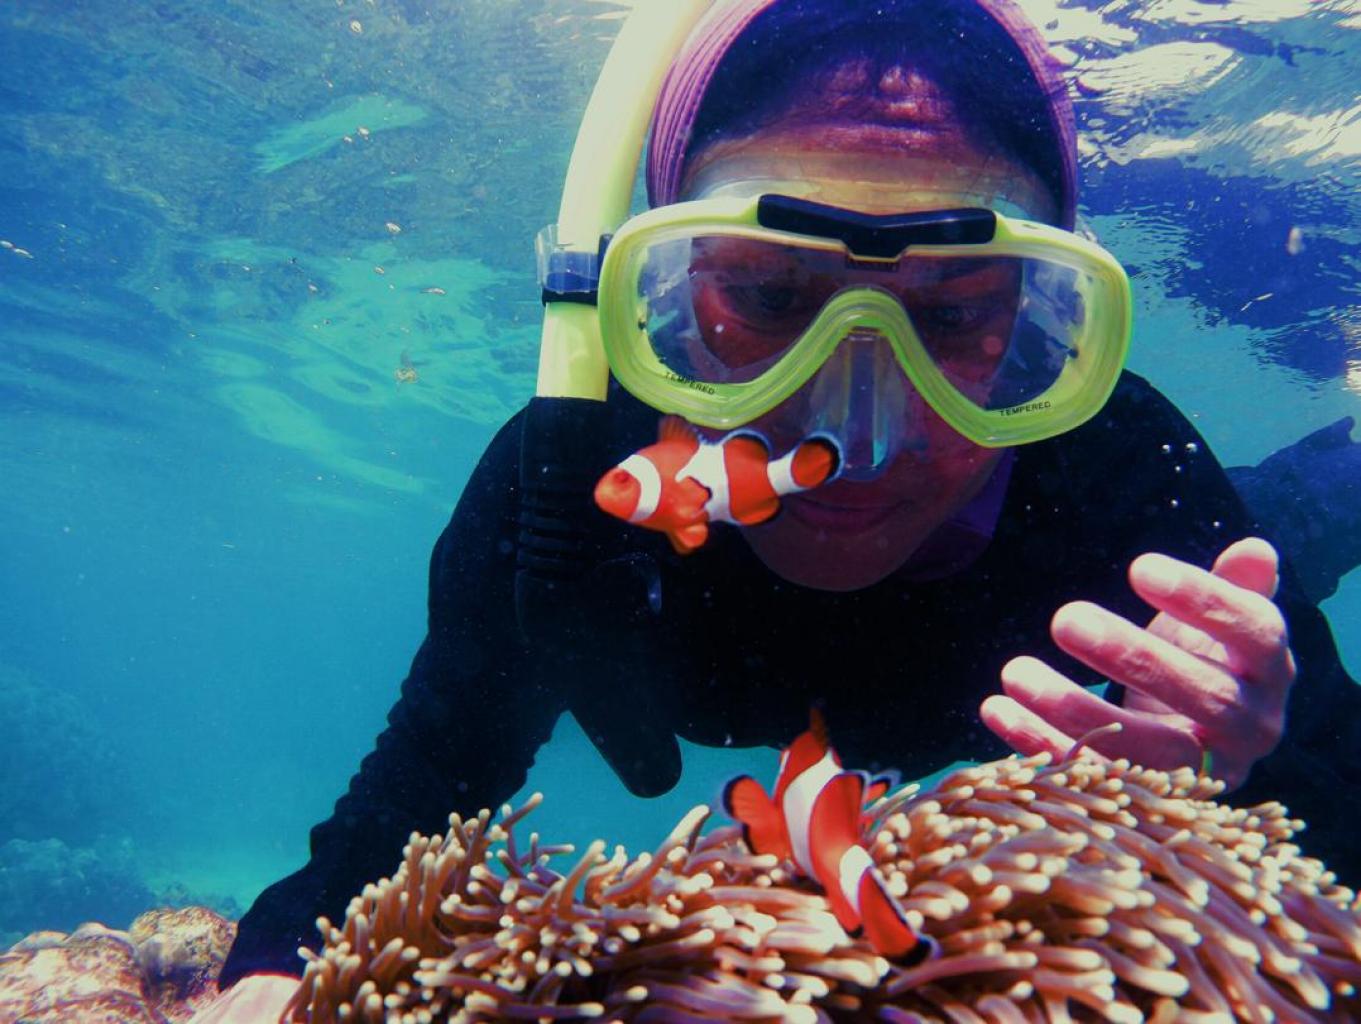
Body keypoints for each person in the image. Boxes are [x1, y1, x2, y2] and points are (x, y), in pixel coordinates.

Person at [216, 0, 1361, 1000]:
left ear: (1036, 313)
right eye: (766, 298)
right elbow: (415, 790)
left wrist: (1253, 762)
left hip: (1185, 538)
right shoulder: (569, 491)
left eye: (952, 314)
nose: (853, 433)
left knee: (1286, 528)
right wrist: (272, 976)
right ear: (663, 289)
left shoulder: (1119, 475)